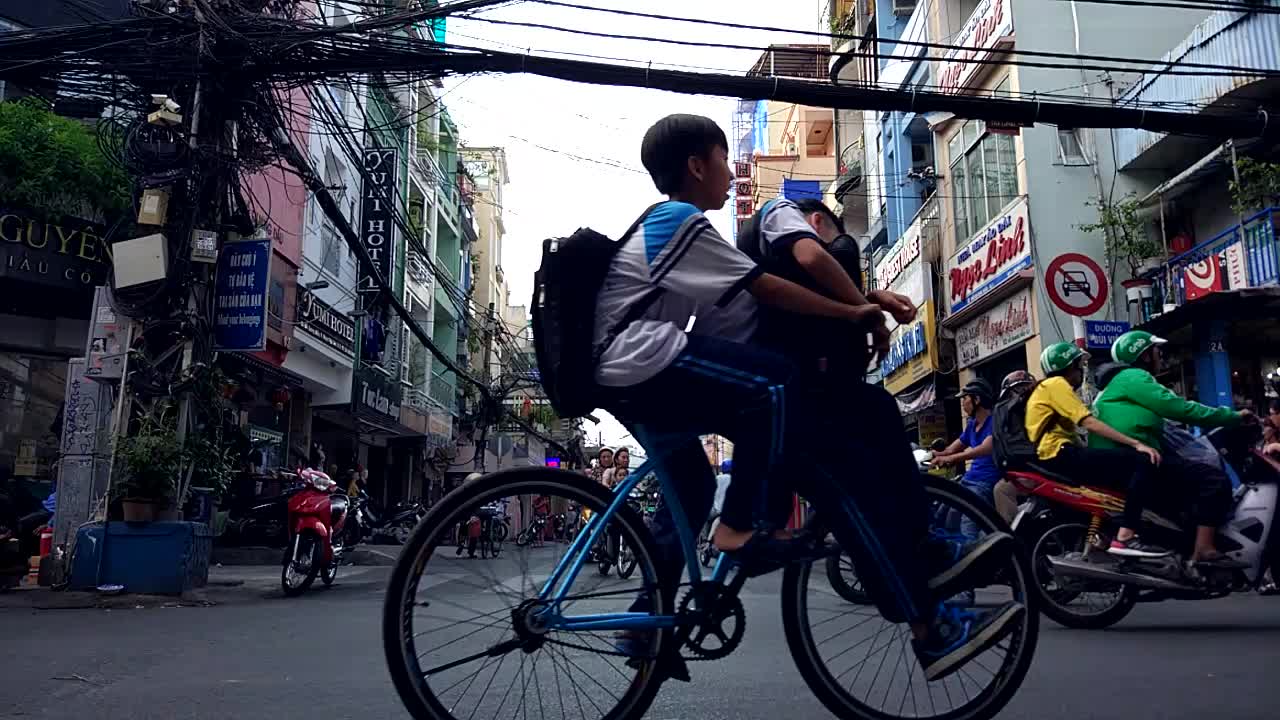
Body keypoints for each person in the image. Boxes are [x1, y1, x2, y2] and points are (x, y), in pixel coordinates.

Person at [598, 114, 1019, 681]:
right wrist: (855, 310)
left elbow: (765, 292)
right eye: (723, 160)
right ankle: (743, 526)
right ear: (697, 165)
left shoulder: (689, 235)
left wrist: (859, 302)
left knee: (695, 489)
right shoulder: (687, 221)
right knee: (776, 385)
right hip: (641, 359)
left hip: (636, 371)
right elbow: (770, 285)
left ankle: (643, 621)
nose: (729, 175)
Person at [1092, 330, 1250, 566]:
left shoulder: (1114, 385)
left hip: (1122, 459)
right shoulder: (1133, 377)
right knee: (1214, 480)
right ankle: (1204, 548)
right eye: (1156, 351)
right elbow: (1178, 408)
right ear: (1145, 355)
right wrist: (1232, 417)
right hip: (1134, 460)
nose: (1161, 356)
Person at [1026, 342, 1166, 558]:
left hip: (1055, 455)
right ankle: (1126, 535)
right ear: (1068, 366)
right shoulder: (1056, 384)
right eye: (1079, 366)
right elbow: (1088, 422)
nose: (1082, 371)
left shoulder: (1045, 388)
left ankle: (1106, 538)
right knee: (1142, 461)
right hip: (1061, 454)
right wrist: (1136, 444)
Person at [934, 379, 1000, 541]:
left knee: (967, 521)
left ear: (977, 400)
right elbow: (951, 449)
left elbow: (985, 449)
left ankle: (975, 558)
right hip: (968, 480)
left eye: (965, 398)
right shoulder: (971, 425)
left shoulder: (994, 422)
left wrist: (952, 458)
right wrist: (935, 455)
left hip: (985, 483)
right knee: (942, 511)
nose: (962, 403)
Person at [991, 370, 1037, 523]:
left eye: (1025, 387)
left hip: (1041, 465)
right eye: (1019, 388)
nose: (1021, 392)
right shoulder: (1007, 411)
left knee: (1001, 490)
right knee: (1001, 489)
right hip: (1026, 467)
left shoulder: (1031, 406)